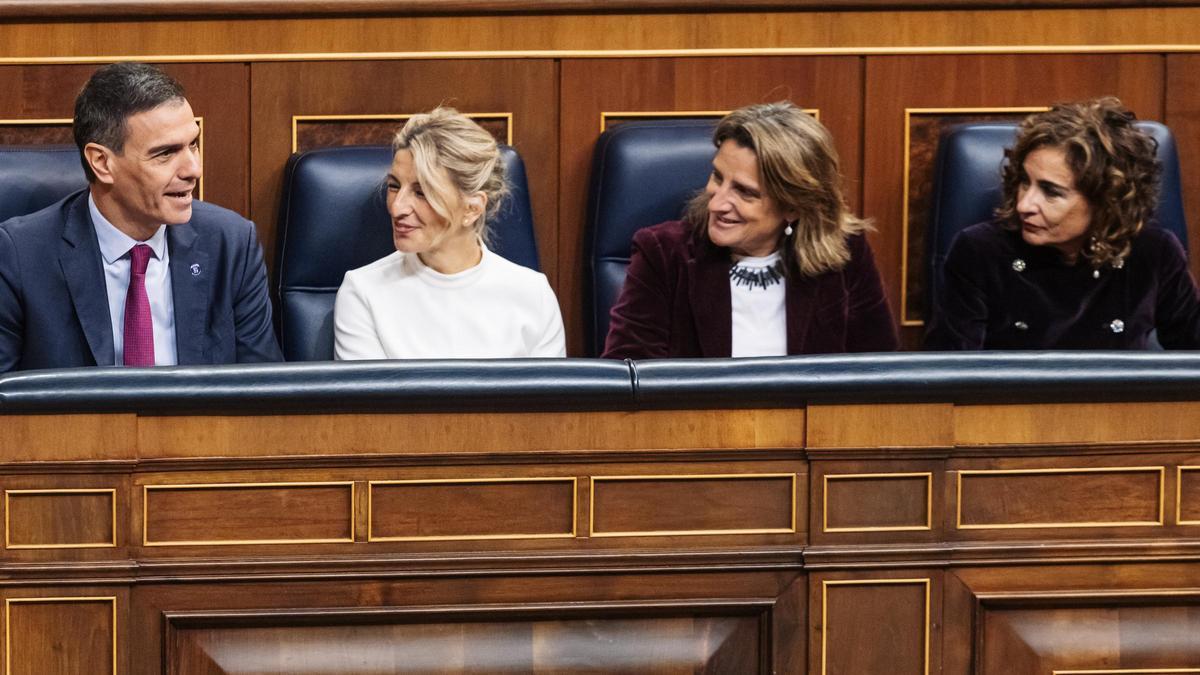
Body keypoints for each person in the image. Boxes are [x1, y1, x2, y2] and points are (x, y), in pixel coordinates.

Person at [0, 62, 282, 373]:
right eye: (165, 153)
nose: (193, 170)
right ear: (102, 163)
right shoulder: (20, 257)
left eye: (193, 144)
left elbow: (263, 396)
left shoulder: (231, 245)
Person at [602, 101, 897, 359]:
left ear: (793, 207)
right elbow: (630, 380)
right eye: (718, 177)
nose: (717, 203)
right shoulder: (662, 255)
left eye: (745, 192)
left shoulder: (844, 253)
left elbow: (878, 375)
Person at [925, 98, 1200, 349]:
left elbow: (1192, 357)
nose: (1024, 205)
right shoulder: (979, 252)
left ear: (1106, 200)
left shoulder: (1154, 252)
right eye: (1024, 181)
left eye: (1051, 192)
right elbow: (950, 380)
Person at [333, 108, 565, 359]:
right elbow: (368, 398)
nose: (397, 207)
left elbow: (547, 398)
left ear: (472, 208)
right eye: (394, 186)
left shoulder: (533, 295)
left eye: (422, 192)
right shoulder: (363, 291)